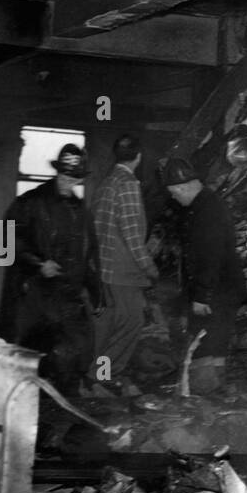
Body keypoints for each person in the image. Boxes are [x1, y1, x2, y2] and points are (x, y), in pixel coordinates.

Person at [0, 143, 100, 396]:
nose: (68, 182)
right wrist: (38, 264)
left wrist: (95, 291)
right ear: (57, 173)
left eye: (74, 178)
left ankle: (65, 403)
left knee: (73, 350)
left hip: (66, 293)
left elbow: (88, 253)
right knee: (31, 354)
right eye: (64, 176)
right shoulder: (30, 202)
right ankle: (27, 400)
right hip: (33, 293)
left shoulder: (79, 210)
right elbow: (6, 241)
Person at [160, 157, 246, 396]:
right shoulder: (207, 204)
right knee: (217, 339)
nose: (174, 199)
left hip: (215, 289)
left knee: (203, 341)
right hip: (224, 288)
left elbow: (210, 255)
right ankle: (217, 389)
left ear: (182, 187)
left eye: (173, 194)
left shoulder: (205, 211)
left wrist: (201, 295)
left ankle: (202, 394)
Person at [91, 133, 158, 393]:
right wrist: (149, 267)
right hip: (123, 271)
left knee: (108, 326)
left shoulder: (107, 182)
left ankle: (94, 378)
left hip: (104, 269)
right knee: (131, 324)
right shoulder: (128, 183)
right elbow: (132, 234)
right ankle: (105, 377)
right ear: (138, 157)